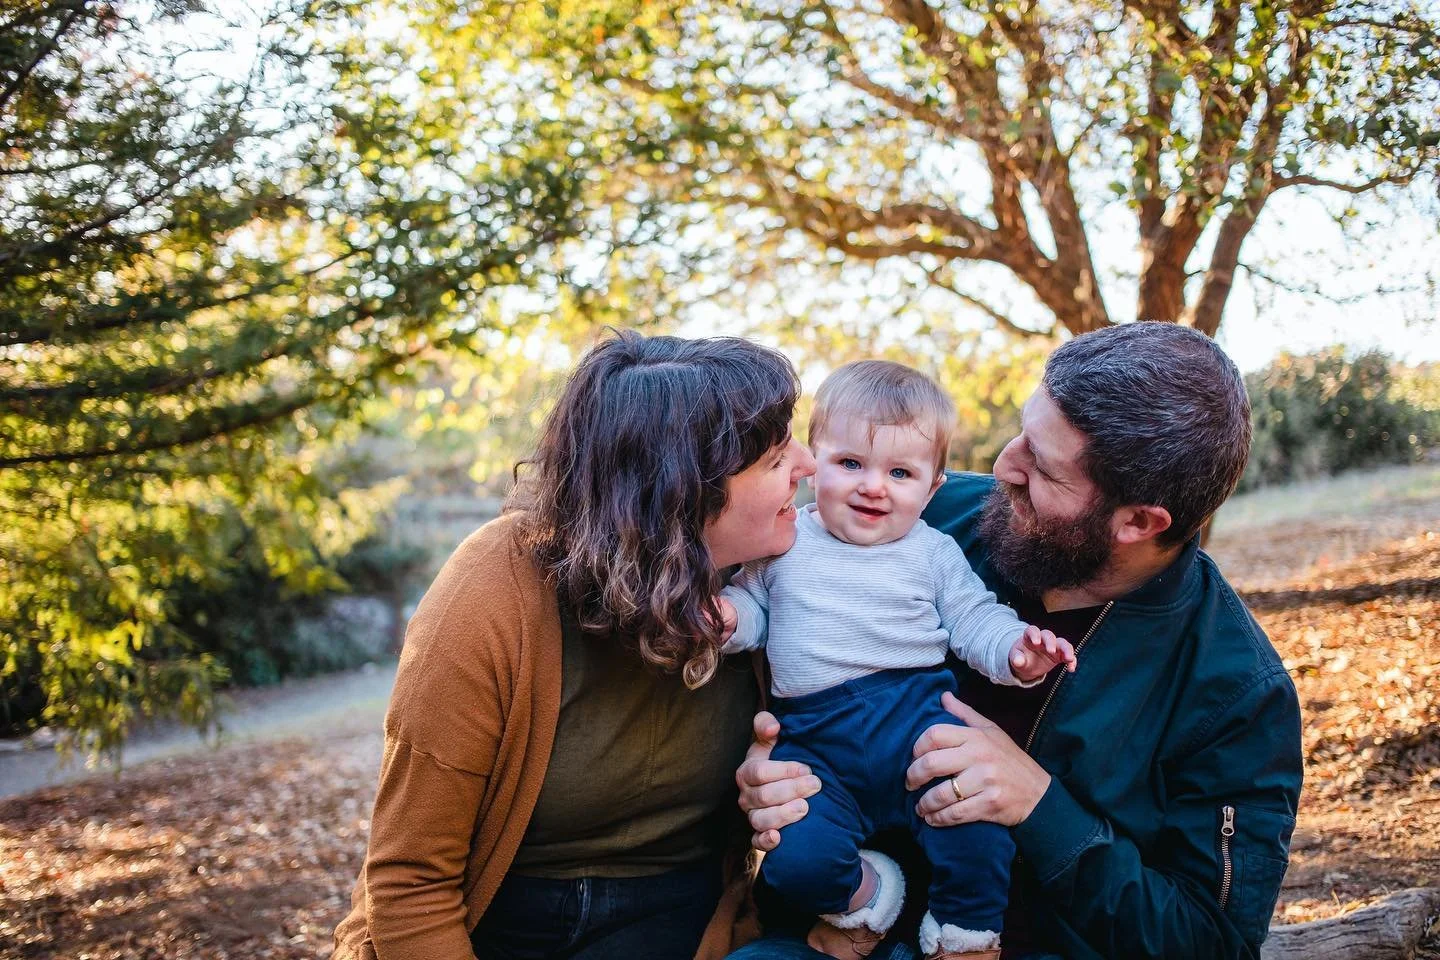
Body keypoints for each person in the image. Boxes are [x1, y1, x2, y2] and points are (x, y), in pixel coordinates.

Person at [730, 322, 1304, 960]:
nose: (1005, 466)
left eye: (1045, 469)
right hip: (833, 930)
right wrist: (767, 772)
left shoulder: (1234, 692)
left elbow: (1210, 942)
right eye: (1024, 434)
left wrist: (1039, 805)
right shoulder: (926, 517)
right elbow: (766, 610)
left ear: (1138, 522)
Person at [332, 330, 817, 960]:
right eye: (777, 459)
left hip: (681, 922)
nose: (808, 465)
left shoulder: (785, 583)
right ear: (680, 494)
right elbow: (410, 886)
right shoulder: (492, 589)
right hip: (492, 923)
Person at [716, 361, 1076, 960]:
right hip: (815, 741)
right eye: (850, 463)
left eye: (900, 472)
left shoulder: (933, 553)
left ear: (932, 488)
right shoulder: (788, 545)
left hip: (915, 725)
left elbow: (974, 620)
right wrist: (724, 619)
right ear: (814, 462)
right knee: (795, 861)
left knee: (976, 831)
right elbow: (753, 615)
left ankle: (966, 936)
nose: (873, 485)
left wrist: (1017, 651)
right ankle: (867, 897)